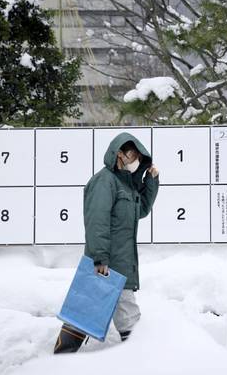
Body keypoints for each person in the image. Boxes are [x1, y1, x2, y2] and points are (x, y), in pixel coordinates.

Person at [54, 132, 160, 353]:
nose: (136, 160)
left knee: (84, 313)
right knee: (128, 319)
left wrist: (150, 181)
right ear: (119, 154)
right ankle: (143, 362)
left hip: (120, 262)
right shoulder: (105, 181)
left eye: (139, 156)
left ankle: (61, 359)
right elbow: (97, 221)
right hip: (108, 264)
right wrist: (99, 257)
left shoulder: (126, 185)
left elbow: (140, 210)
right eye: (133, 154)